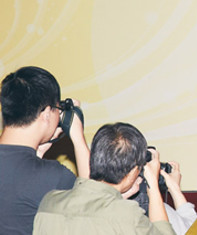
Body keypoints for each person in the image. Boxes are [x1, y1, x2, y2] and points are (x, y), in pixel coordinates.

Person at [33, 122, 174, 235]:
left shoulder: (49, 203)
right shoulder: (128, 215)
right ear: (132, 172)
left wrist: (117, 198)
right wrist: (153, 186)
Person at [0, 66, 90, 235]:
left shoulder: (39, 175)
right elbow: (97, 208)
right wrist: (78, 138)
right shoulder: (52, 177)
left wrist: (37, 154)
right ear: (47, 113)